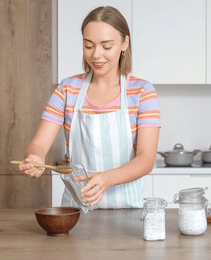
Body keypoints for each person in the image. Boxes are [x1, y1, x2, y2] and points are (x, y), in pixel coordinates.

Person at [18, 6, 161, 208]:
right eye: (88, 45)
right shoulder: (67, 90)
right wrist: (35, 157)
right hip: (78, 209)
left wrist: (108, 179)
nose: (96, 55)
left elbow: (146, 159)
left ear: (124, 44)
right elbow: (39, 144)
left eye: (106, 46)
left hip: (130, 210)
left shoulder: (142, 92)